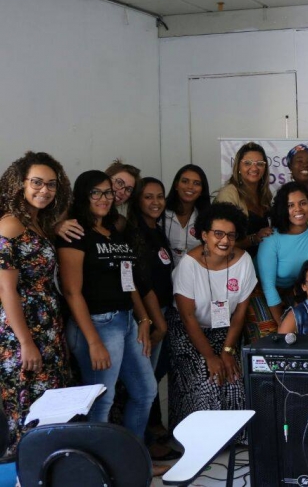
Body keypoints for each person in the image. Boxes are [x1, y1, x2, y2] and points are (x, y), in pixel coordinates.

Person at [58, 171, 157, 447]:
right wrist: (93, 342)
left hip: (126, 321)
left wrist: (144, 319)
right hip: (96, 324)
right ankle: (98, 464)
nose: (104, 198)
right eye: (96, 192)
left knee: (145, 392)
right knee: (101, 401)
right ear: (83, 196)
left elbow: (127, 280)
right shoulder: (75, 233)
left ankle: (131, 459)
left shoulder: (113, 230)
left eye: (108, 192)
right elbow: (72, 291)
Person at [0, 152, 72, 452]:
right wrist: (26, 342)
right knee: (27, 413)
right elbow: (6, 290)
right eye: (37, 182)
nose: (45, 190)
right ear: (20, 184)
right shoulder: (10, 224)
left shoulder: (37, 223)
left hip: (47, 328)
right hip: (22, 332)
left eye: (51, 184)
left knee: (49, 410)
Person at [168, 202, 256, 429]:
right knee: (207, 378)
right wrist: (210, 356)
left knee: (234, 378)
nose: (224, 240)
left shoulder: (244, 261)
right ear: (204, 235)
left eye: (231, 235)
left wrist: (227, 351)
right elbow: (187, 317)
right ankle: (196, 436)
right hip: (188, 331)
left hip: (225, 331)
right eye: (218, 234)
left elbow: (240, 314)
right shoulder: (189, 265)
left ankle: (233, 438)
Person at [126, 177, 176, 458]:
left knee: (152, 379)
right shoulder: (135, 234)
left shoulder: (156, 230)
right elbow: (141, 283)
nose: (156, 202)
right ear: (137, 201)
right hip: (148, 318)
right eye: (148, 197)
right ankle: (141, 447)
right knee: (143, 384)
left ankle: (148, 438)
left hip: (162, 311)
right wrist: (157, 321)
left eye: (159, 196)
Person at [257, 182, 308, 322]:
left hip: (295, 292)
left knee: (306, 326)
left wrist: (299, 319)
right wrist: (282, 326)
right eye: (290, 205)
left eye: (303, 203)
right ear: (283, 209)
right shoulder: (271, 239)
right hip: (261, 292)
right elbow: (268, 286)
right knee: (271, 331)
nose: (298, 209)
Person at [55, 158, 141, 241]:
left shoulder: (119, 222)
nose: (122, 191)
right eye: (119, 182)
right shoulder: (69, 208)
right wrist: (57, 227)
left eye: (129, 189)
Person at [215, 142, 273, 257]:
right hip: (235, 262)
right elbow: (221, 240)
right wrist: (254, 238)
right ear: (238, 167)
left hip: (260, 262)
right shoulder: (228, 194)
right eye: (247, 163)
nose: (254, 168)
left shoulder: (265, 195)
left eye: (260, 163)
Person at [163, 164, 210, 266]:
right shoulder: (161, 213)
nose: (190, 187)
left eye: (196, 183)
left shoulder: (207, 217)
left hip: (196, 272)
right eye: (185, 181)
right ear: (176, 185)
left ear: (202, 190)